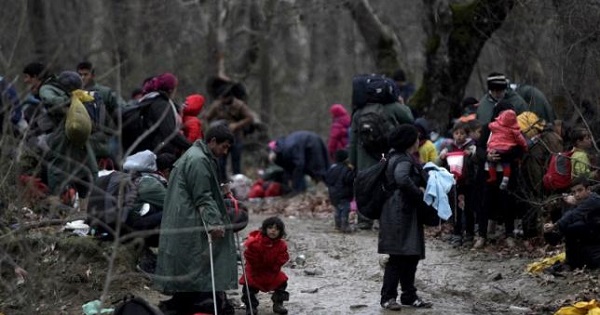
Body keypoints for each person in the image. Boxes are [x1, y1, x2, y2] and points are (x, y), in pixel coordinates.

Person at [155, 124, 237, 315]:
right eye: (223, 147)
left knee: (191, 262)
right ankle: (202, 302)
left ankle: (190, 301)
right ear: (213, 141)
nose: (225, 152)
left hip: (184, 217)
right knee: (198, 259)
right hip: (190, 219)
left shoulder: (196, 155)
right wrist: (214, 223)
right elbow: (202, 196)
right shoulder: (199, 160)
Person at [379, 124, 432, 310]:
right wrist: (419, 193)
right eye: (417, 138)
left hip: (397, 211)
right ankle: (388, 297)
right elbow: (402, 178)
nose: (419, 141)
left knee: (410, 255)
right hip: (401, 213)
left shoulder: (394, 156)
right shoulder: (403, 160)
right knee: (399, 257)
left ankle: (409, 295)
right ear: (410, 141)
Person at [40, 71, 98, 210]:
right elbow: (51, 100)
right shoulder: (48, 89)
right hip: (61, 138)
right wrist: (72, 100)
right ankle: (55, 210)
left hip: (78, 138)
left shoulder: (77, 95)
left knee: (88, 173)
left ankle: (86, 212)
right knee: (57, 173)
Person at [124, 73, 191, 157]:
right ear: (171, 90)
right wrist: (191, 146)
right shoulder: (162, 105)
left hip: (147, 152)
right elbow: (170, 132)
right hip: (158, 155)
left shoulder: (150, 100)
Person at [543, 176, 600, 270]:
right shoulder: (579, 203)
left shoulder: (594, 199)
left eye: (580, 190)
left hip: (595, 246)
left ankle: (571, 263)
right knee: (569, 226)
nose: (577, 194)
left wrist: (555, 225)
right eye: (574, 192)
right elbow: (568, 217)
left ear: (588, 189)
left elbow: (574, 215)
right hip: (587, 247)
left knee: (573, 226)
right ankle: (570, 263)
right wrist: (548, 232)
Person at [436, 122, 477, 247]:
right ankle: (457, 233)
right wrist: (442, 157)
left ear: (467, 134)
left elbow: (477, 160)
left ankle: (469, 233)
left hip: (468, 182)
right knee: (455, 209)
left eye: (462, 133)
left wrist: (471, 155)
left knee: (469, 208)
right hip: (454, 183)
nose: (459, 136)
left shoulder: (471, 147)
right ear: (453, 134)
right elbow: (438, 162)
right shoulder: (449, 147)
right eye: (457, 133)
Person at [240, 216, 290, 315]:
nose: (273, 231)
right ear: (265, 229)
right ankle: (251, 306)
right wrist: (258, 265)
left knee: (282, 281)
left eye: (276, 229)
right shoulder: (255, 243)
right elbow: (250, 256)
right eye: (270, 228)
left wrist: (275, 266)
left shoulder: (281, 245)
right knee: (248, 287)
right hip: (256, 272)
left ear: (280, 232)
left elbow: (283, 257)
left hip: (272, 272)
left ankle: (278, 303)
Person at [204, 82, 254, 181]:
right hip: (222, 138)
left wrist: (236, 125)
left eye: (224, 97)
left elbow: (249, 118)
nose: (222, 100)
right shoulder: (217, 105)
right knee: (221, 163)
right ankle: (222, 185)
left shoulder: (239, 105)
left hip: (236, 137)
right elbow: (208, 117)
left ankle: (238, 186)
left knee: (236, 163)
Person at [486, 107, 528, 190]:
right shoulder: (514, 130)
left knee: (492, 163)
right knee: (506, 165)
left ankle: (493, 177)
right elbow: (521, 141)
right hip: (505, 150)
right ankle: (505, 178)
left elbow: (519, 151)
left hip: (494, 149)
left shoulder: (494, 126)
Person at [325, 149, 355, 233]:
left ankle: (337, 225)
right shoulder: (346, 169)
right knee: (345, 210)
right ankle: (344, 226)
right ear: (346, 159)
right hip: (344, 194)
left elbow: (327, 179)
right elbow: (349, 179)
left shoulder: (332, 168)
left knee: (337, 210)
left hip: (333, 194)